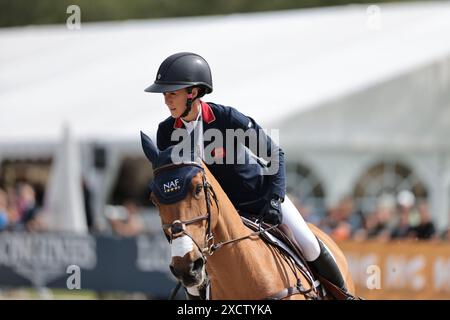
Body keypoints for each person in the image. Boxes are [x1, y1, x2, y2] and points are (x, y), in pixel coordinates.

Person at [145, 52, 351, 298]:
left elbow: (275, 155)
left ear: (193, 93)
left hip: (258, 200)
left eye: (172, 93)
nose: (167, 101)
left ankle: (344, 295)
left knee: (307, 242)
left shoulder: (227, 119)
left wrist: (274, 199)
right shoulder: (166, 132)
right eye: (165, 95)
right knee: (192, 278)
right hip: (215, 217)